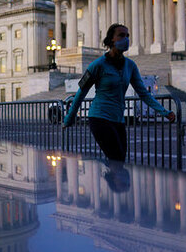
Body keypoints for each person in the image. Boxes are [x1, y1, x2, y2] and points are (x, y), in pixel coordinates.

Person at [63, 23, 176, 162]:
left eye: (127, 35)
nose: (126, 39)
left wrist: (164, 112)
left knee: (120, 160)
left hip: (118, 119)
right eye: (121, 35)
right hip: (99, 117)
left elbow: (144, 94)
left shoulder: (131, 65)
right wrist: (69, 118)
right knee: (116, 158)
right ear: (111, 40)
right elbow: (81, 93)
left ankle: (108, 178)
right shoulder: (97, 65)